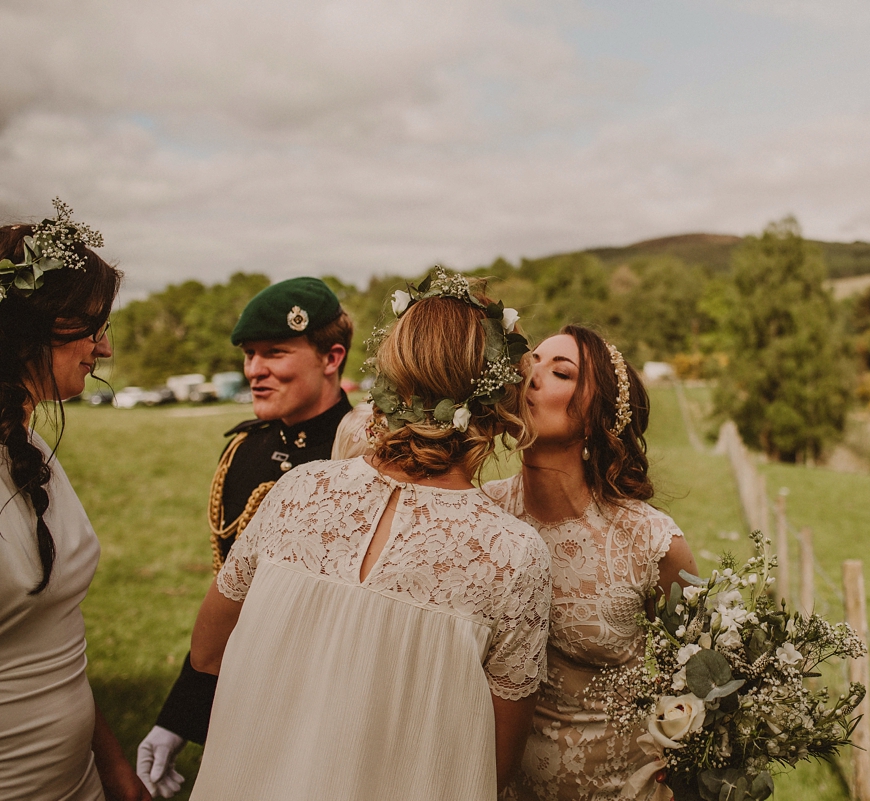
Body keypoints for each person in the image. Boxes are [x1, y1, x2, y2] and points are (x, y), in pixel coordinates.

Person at [185, 269, 552, 800]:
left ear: (390, 374)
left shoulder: (299, 489)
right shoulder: (511, 555)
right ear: (500, 399)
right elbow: (493, 763)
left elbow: (207, 652)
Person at [137, 277, 355, 797]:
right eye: (250, 355)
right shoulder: (245, 453)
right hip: (244, 698)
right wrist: (179, 718)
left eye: (275, 352)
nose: (255, 370)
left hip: (333, 704)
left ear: (332, 358)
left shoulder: (367, 458)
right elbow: (231, 605)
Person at [483, 325, 698, 801]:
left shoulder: (650, 541)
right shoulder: (482, 517)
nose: (531, 376)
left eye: (560, 372)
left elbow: (706, 675)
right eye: (530, 361)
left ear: (595, 419)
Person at [0, 202, 150, 800]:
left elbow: (60, 634)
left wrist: (110, 765)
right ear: (33, 325)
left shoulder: (30, 447)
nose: (104, 349)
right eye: (92, 326)